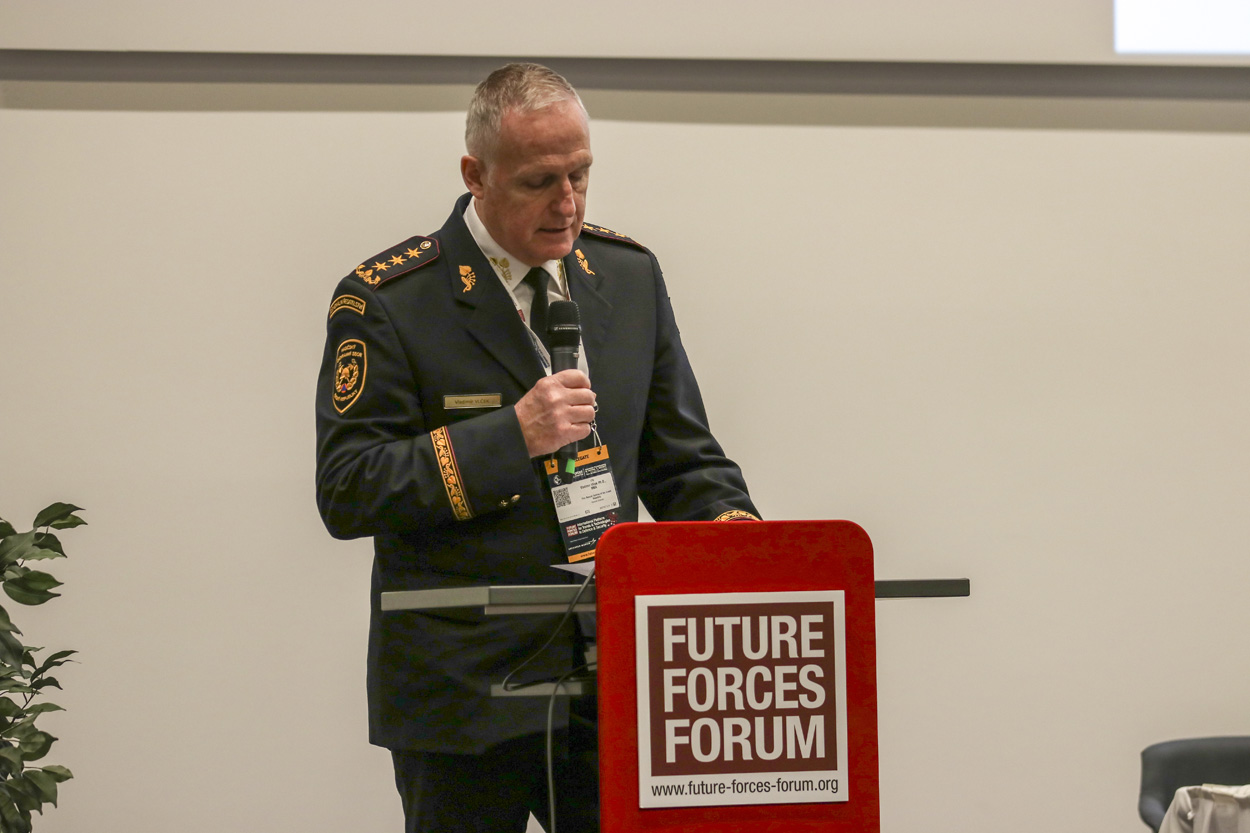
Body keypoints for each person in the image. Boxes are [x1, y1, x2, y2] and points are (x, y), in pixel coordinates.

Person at [315, 63, 759, 833]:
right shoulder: (389, 299)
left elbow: (682, 457)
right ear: (475, 175)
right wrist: (511, 435)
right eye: (539, 181)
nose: (568, 203)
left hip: (609, 676)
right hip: (463, 691)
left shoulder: (628, 276)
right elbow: (349, 487)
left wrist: (740, 536)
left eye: (581, 174)